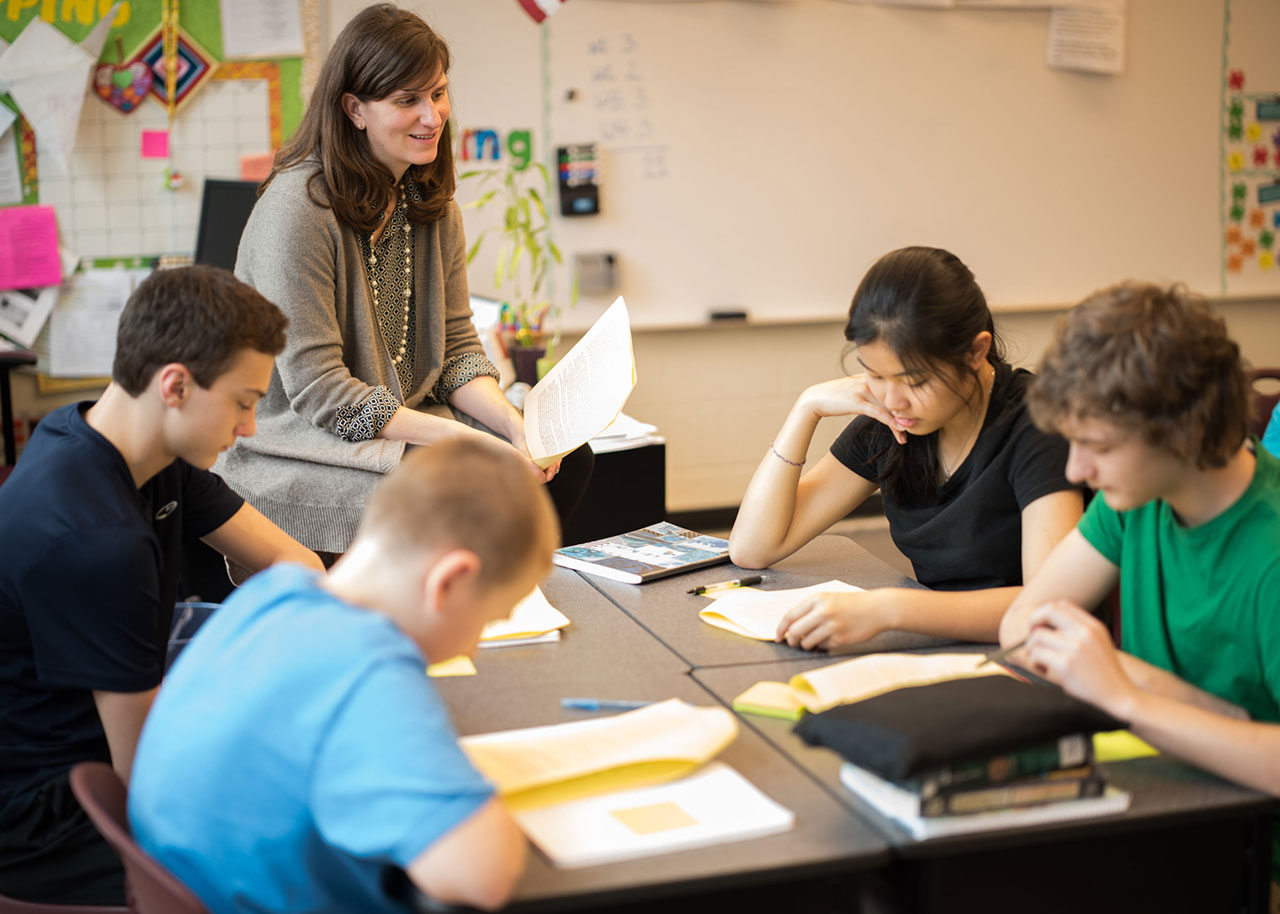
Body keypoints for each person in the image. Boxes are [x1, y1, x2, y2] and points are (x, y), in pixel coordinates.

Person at [217, 3, 591, 558]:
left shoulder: (432, 206)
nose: (432, 116)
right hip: (303, 442)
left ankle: (503, 613)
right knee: (444, 492)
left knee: (562, 460)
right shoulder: (297, 209)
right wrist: (466, 443)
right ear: (355, 109)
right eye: (407, 100)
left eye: (437, 93)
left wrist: (512, 425)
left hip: (408, 424)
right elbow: (323, 394)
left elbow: (459, 349)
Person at [0, 265, 323, 905]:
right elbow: (147, 783)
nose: (249, 428)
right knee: (314, 840)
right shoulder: (96, 540)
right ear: (175, 385)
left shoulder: (128, 445)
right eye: (244, 402)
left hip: (112, 747)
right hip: (50, 816)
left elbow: (300, 568)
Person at [130, 438, 555, 913]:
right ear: (449, 581)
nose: (474, 645)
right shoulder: (368, 670)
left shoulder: (273, 591)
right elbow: (480, 875)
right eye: (488, 619)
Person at [997, 283, 1280, 889]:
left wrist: (1126, 696)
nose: (1075, 471)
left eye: (1097, 447)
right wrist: (1157, 688)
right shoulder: (1138, 499)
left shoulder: (1270, 552)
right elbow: (1021, 627)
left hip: (1252, 859)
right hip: (1165, 815)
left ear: (1184, 430)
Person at [730, 246, 1083, 650]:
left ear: (976, 351)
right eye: (873, 374)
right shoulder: (893, 419)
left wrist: (890, 610)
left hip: (1030, 654)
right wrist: (805, 410)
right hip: (940, 646)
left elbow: (1047, 606)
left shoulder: (1038, 424)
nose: (894, 400)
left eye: (914, 381)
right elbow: (752, 548)